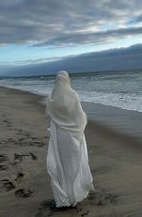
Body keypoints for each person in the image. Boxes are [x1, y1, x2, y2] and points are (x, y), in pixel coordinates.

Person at [46, 70, 94, 208]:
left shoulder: (52, 97)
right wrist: (78, 127)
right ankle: (74, 196)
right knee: (74, 166)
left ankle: (64, 197)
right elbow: (80, 117)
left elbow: (49, 115)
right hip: (73, 135)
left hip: (59, 136)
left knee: (61, 165)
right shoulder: (73, 95)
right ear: (67, 80)